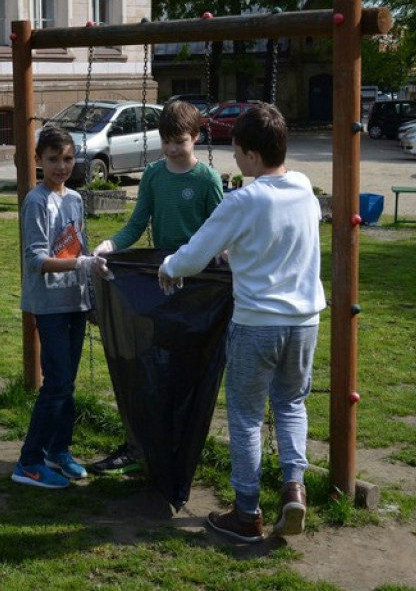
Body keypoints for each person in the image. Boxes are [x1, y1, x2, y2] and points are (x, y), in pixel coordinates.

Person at [157, 103, 325, 542]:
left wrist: (169, 267)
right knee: (291, 405)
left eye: (235, 151)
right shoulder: (304, 187)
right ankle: (294, 488)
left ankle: (247, 513)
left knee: (247, 417)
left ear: (251, 155)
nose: (232, 158)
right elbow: (275, 241)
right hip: (305, 322)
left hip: (257, 324)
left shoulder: (244, 199)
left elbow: (194, 255)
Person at [87, 99, 224, 475]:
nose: (171, 149)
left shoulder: (206, 179)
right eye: (166, 141)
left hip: (197, 283)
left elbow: (219, 230)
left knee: (189, 368)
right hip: (162, 278)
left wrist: (219, 259)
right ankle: (142, 444)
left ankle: (181, 448)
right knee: (153, 364)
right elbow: (136, 224)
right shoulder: (153, 176)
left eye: (179, 141)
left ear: (195, 138)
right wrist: (111, 245)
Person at [12, 125, 111, 489]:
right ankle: (29, 461)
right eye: (53, 159)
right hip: (50, 305)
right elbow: (37, 259)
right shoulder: (36, 202)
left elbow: (79, 250)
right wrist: (80, 264)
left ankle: (59, 449)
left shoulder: (74, 200)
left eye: (67, 158)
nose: (61, 166)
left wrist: (92, 293)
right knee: (55, 383)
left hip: (74, 301)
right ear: (39, 160)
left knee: (67, 383)